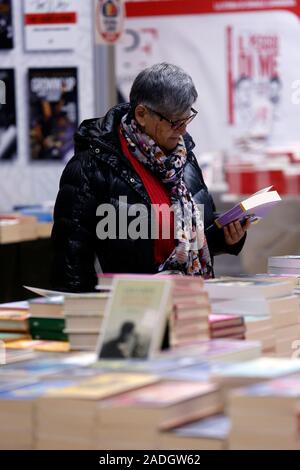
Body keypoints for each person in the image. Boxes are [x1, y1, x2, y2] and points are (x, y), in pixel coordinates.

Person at [51, 63, 250, 292]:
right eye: (175, 122)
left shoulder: (184, 158)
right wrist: (83, 315)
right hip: (130, 305)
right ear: (142, 114)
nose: (183, 130)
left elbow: (195, 236)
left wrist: (227, 236)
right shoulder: (92, 167)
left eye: (187, 119)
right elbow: (70, 257)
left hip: (193, 299)